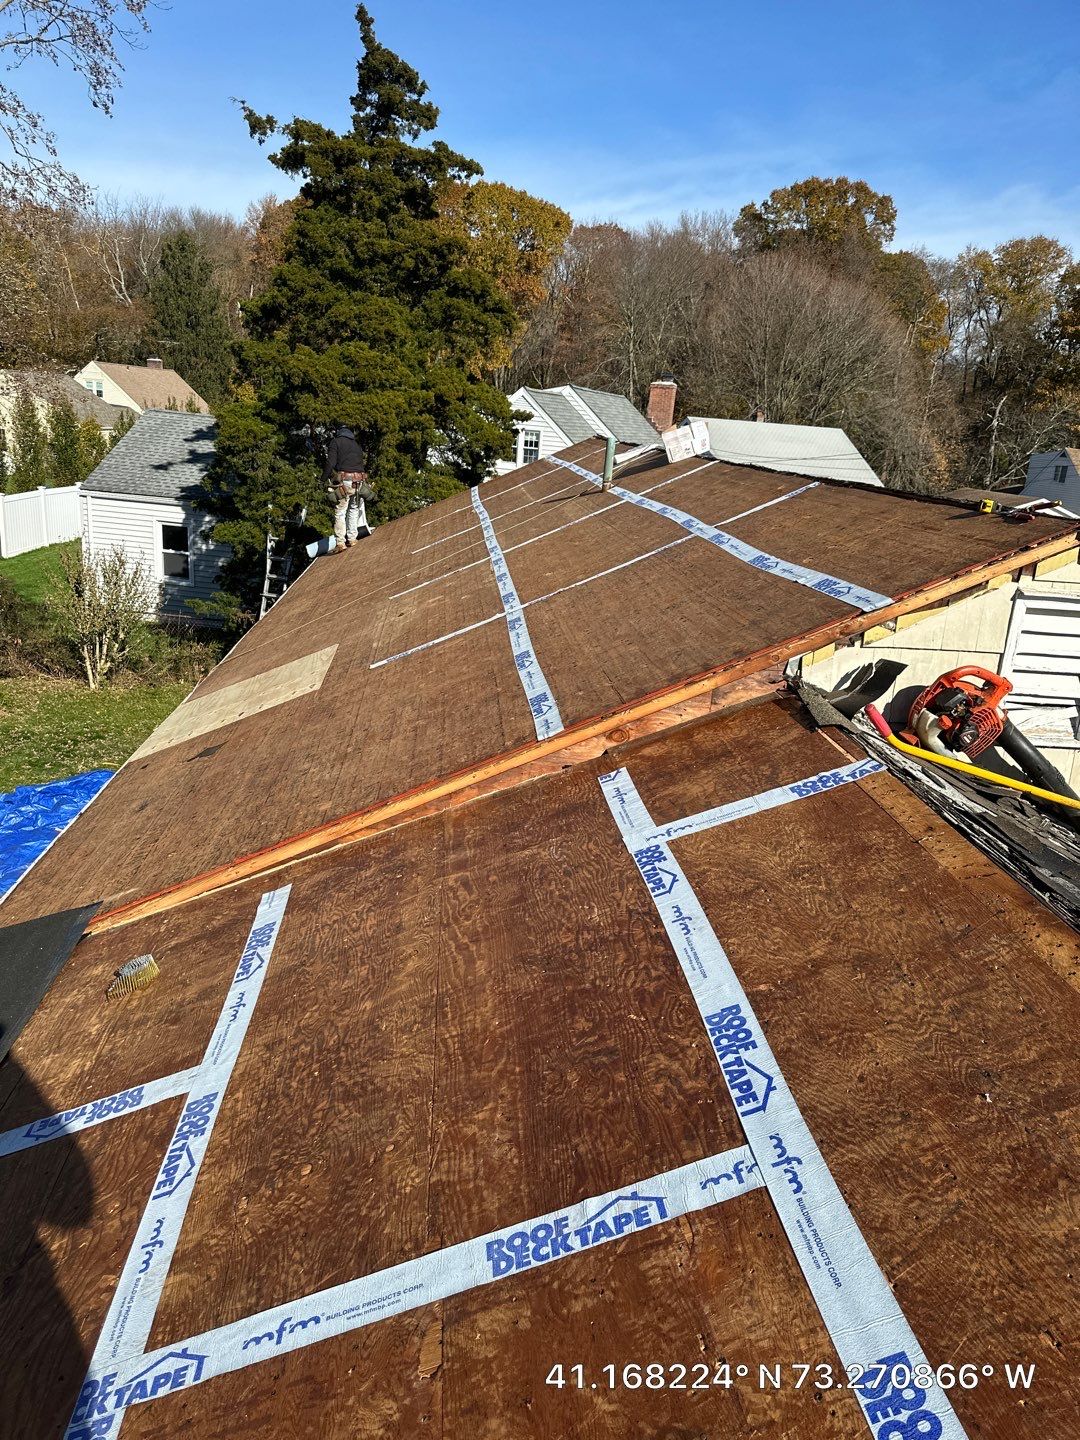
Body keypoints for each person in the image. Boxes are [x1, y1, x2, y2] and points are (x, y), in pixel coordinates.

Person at [322, 426, 373, 552]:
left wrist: (322, 479)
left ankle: (340, 543)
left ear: (339, 433)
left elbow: (331, 462)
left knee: (340, 512)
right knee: (354, 509)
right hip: (360, 482)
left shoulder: (336, 442)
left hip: (346, 481)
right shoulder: (356, 445)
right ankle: (352, 539)